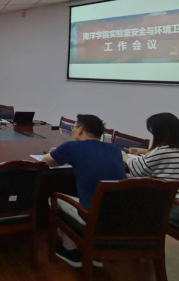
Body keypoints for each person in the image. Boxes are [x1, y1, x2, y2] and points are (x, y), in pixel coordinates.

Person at [42, 114, 126, 269]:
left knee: (53, 198)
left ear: (80, 130)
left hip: (92, 216)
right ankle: (94, 252)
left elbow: (46, 161)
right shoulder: (115, 149)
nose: (72, 130)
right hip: (120, 216)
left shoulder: (72, 147)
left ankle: (71, 251)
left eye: (73, 127)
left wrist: (58, 153)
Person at [127, 113, 179, 227]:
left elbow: (137, 171)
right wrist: (147, 151)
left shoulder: (162, 152)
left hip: (170, 207)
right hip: (174, 203)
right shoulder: (170, 150)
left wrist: (123, 156)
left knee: (124, 187)